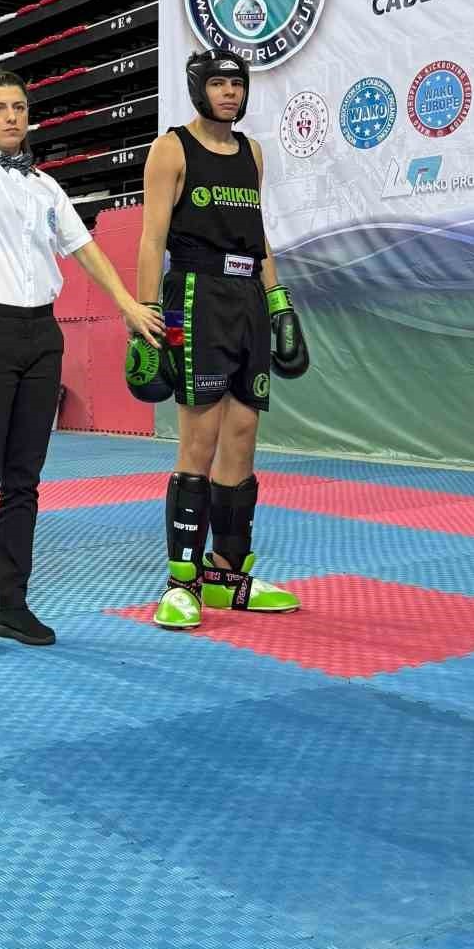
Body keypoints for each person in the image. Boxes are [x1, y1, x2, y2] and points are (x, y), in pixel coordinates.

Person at [0, 58, 160, 654]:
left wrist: (128, 306)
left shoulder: (44, 185)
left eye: (19, 108)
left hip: (41, 335)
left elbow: (84, 249)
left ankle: (13, 605)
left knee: (24, 481)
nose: (11, 117)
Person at [132, 51, 309, 630]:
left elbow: (258, 235)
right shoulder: (172, 148)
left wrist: (277, 300)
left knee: (242, 435)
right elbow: (152, 236)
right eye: (218, 83)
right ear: (197, 90)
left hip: (247, 297)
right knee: (200, 438)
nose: (229, 92)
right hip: (195, 296)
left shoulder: (252, 152)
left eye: (236, 83)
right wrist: (145, 315)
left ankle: (226, 577)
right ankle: (181, 583)